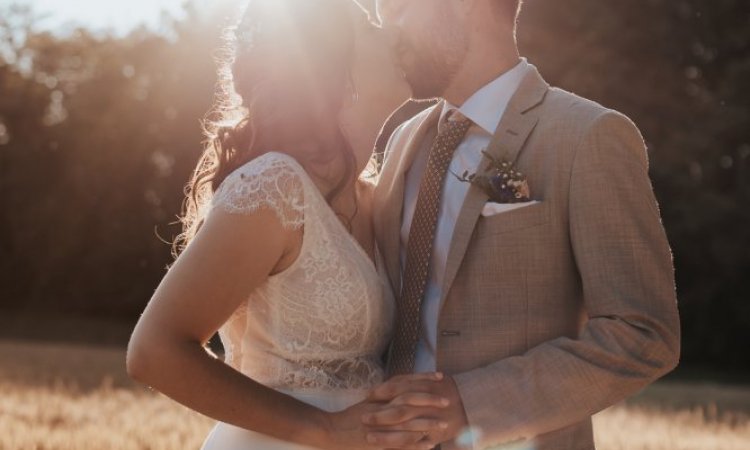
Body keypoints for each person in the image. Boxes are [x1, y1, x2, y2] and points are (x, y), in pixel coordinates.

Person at [363, 0, 682, 449]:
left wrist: (472, 404)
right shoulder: (401, 142)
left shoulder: (588, 136)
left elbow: (644, 333)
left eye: (397, 10)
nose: (386, 31)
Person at [127, 1, 446, 449]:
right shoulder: (275, 186)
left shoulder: (374, 197)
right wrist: (326, 429)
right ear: (331, 68)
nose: (391, 31)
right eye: (368, 26)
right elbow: (153, 352)